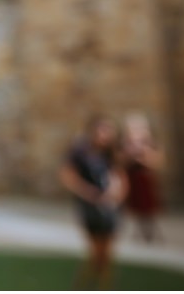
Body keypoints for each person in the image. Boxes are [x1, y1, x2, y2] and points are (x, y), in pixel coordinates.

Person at [60, 115, 128, 290]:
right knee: (96, 251)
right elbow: (68, 176)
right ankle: (86, 286)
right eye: (102, 129)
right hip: (90, 207)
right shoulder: (81, 152)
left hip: (110, 207)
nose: (105, 134)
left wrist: (116, 194)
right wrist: (88, 192)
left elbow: (121, 177)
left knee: (106, 253)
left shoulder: (112, 154)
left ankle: (102, 286)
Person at [121, 111, 164, 243]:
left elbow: (157, 162)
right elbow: (121, 161)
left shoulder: (150, 144)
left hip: (146, 178)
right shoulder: (126, 144)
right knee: (136, 207)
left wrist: (144, 157)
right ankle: (140, 231)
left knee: (149, 207)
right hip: (133, 178)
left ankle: (151, 231)